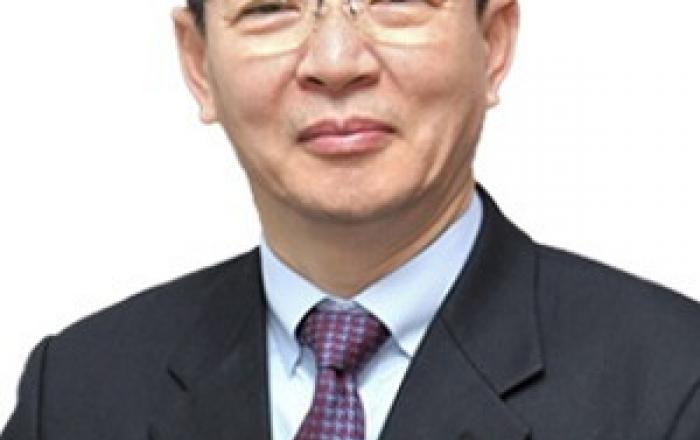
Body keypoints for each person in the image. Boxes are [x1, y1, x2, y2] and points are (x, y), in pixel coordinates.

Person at [3, 0, 700, 438]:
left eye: (395, 1)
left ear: (494, 42)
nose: (335, 64)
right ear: (198, 64)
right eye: (271, 8)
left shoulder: (674, 385)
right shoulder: (75, 393)